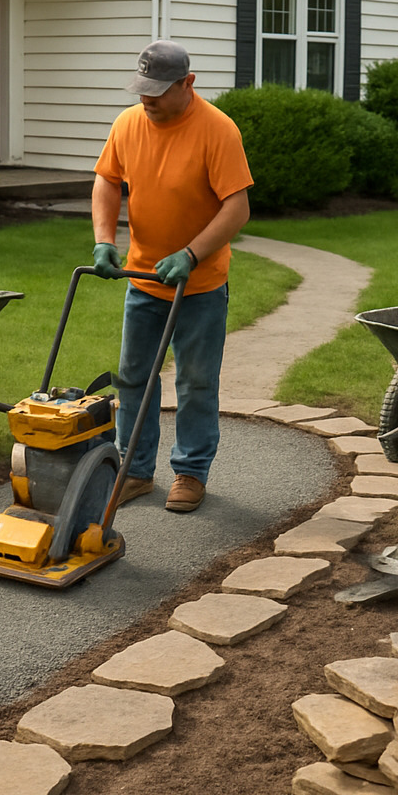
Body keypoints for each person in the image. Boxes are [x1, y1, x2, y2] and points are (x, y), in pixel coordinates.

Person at [90, 40, 253, 513]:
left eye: (159, 90)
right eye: (143, 89)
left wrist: (192, 253)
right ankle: (134, 470)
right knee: (133, 378)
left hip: (199, 285)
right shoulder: (127, 123)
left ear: (188, 84)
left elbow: (236, 207)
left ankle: (190, 472)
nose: (148, 99)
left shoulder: (217, 130)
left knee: (196, 381)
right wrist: (105, 240)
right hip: (143, 277)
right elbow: (107, 180)